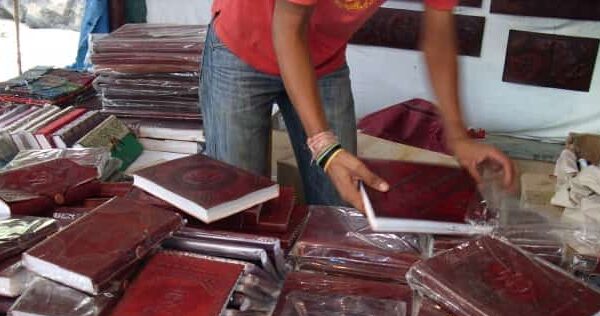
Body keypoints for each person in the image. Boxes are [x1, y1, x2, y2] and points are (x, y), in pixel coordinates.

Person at [201, 0, 515, 211]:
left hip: (322, 60)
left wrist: (458, 136)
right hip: (241, 49)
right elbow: (288, 30)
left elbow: (439, 36)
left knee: (341, 199)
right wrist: (324, 145)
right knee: (239, 202)